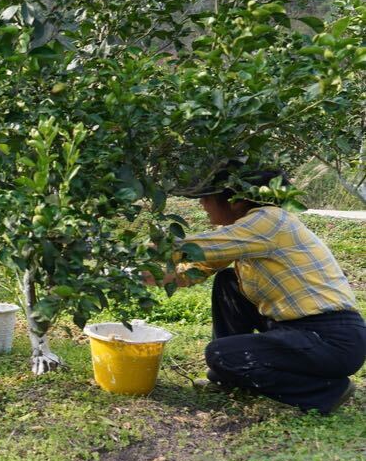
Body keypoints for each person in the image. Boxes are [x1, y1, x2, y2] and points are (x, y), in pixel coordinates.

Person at [150, 168, 365, 414]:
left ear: (236, 200)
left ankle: (325, 391)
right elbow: (197, 268)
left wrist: (129, 251)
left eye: (207, 196)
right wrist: (147, 276)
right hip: (299, 331)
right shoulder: (248, 232)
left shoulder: (269, 220)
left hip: (331, 340)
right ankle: (226, 378)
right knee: (229, 281)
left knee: (220, 355)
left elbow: (201, 246)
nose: (202, 203)